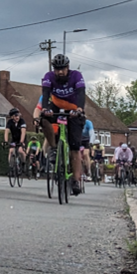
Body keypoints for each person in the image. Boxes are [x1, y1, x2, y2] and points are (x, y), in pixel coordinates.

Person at [38, 54, 88, 195]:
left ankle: (75, 180)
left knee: (74, 148)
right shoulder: (49, 76)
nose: (60, 72)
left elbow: (81, 93)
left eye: (63, 69)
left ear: (68, 67)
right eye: (57, 69)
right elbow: (46, 93)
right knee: (44, 119)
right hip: (56, 106)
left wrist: (79, 109)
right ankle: (53, 147)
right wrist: (46, 109)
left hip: (73, 108)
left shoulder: (76, 76)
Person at [4, 107, 27, 175]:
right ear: (12, 117)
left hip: (22, 139)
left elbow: (23, 132)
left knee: (20, 151)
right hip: (14, 139)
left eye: (18, 115)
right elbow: (6, 131)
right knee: (11, 151)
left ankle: (23, 164)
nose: (17, 117)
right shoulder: (10, 122)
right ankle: (11, 167)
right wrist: (5, 141)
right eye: (15, 116)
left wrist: (21, 142)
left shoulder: (22, 121)